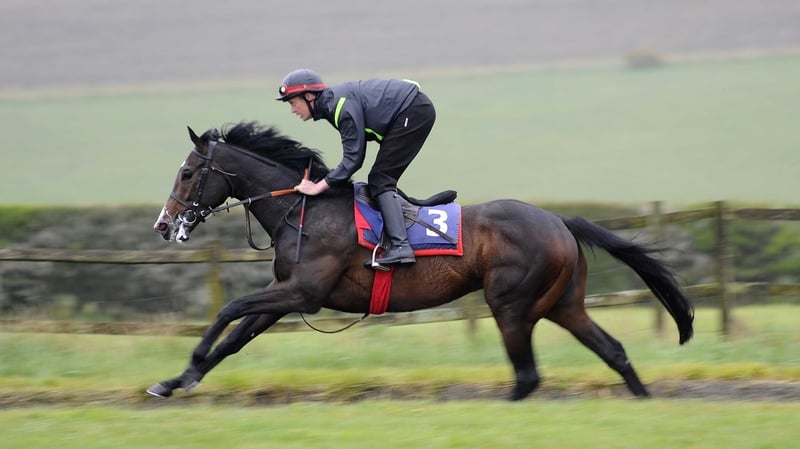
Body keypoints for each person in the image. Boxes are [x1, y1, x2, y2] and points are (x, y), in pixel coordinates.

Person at [277, 68, 436, 266]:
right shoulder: (332, 104)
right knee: (381, 178)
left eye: (293, 102)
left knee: (380, 179)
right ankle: (397, 236)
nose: (292, 110)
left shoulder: (338, 106)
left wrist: (318, 187)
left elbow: (353, 159)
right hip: (411, 108)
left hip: (413, 110)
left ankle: (401, 247)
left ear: (309, 96)